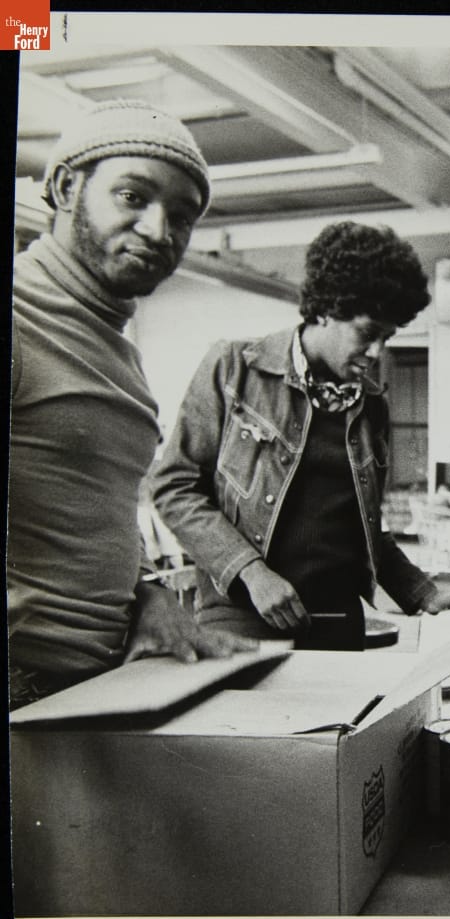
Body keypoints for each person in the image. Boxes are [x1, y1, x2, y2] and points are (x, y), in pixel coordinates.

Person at [7, 100, 259, 708]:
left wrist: (147, 591)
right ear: (67, 188)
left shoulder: (121, 355)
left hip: (95, 682)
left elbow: (95, 510)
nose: (158, 230)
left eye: (181, 216)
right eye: (132, 196)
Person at [152, 222, 450, 650]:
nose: (377, 353)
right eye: (368, 334)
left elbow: (365, 530)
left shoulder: (372, 406)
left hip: (339, 621)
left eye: (387, 338)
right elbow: (174, 488)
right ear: (326, 310)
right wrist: (250, 572)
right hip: (241, 615)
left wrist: (423, 592)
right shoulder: (234, 369)